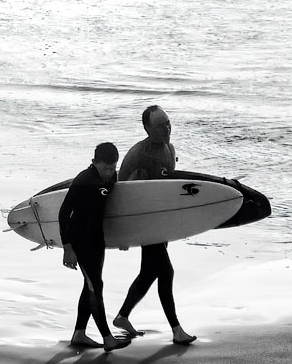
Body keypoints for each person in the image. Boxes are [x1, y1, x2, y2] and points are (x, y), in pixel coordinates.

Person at [115, 105, 196, 345]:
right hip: (144, 222)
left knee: (149, 272)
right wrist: (124, 232)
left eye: (168, 123)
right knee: (166, 272)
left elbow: (171, 186)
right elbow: (120, 188)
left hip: (161, 222)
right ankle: (176, 329)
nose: (167, 129)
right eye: (161, 125)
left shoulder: (170, 149)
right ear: (147, 128)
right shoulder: (138, 153)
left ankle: (122, 316)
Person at [58, 142, 129, 351]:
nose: (110, 172)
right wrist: (67, 248)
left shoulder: (111, 178)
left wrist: (123, 237)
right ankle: (107, 338)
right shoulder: (84, 181)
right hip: (80, 240)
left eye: (113, 167)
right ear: (94, 162)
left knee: (90, 285)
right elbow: (64, 213)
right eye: (105, 168)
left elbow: (113, 210)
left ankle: (79, 334)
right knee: (95, 286)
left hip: (97, 239)